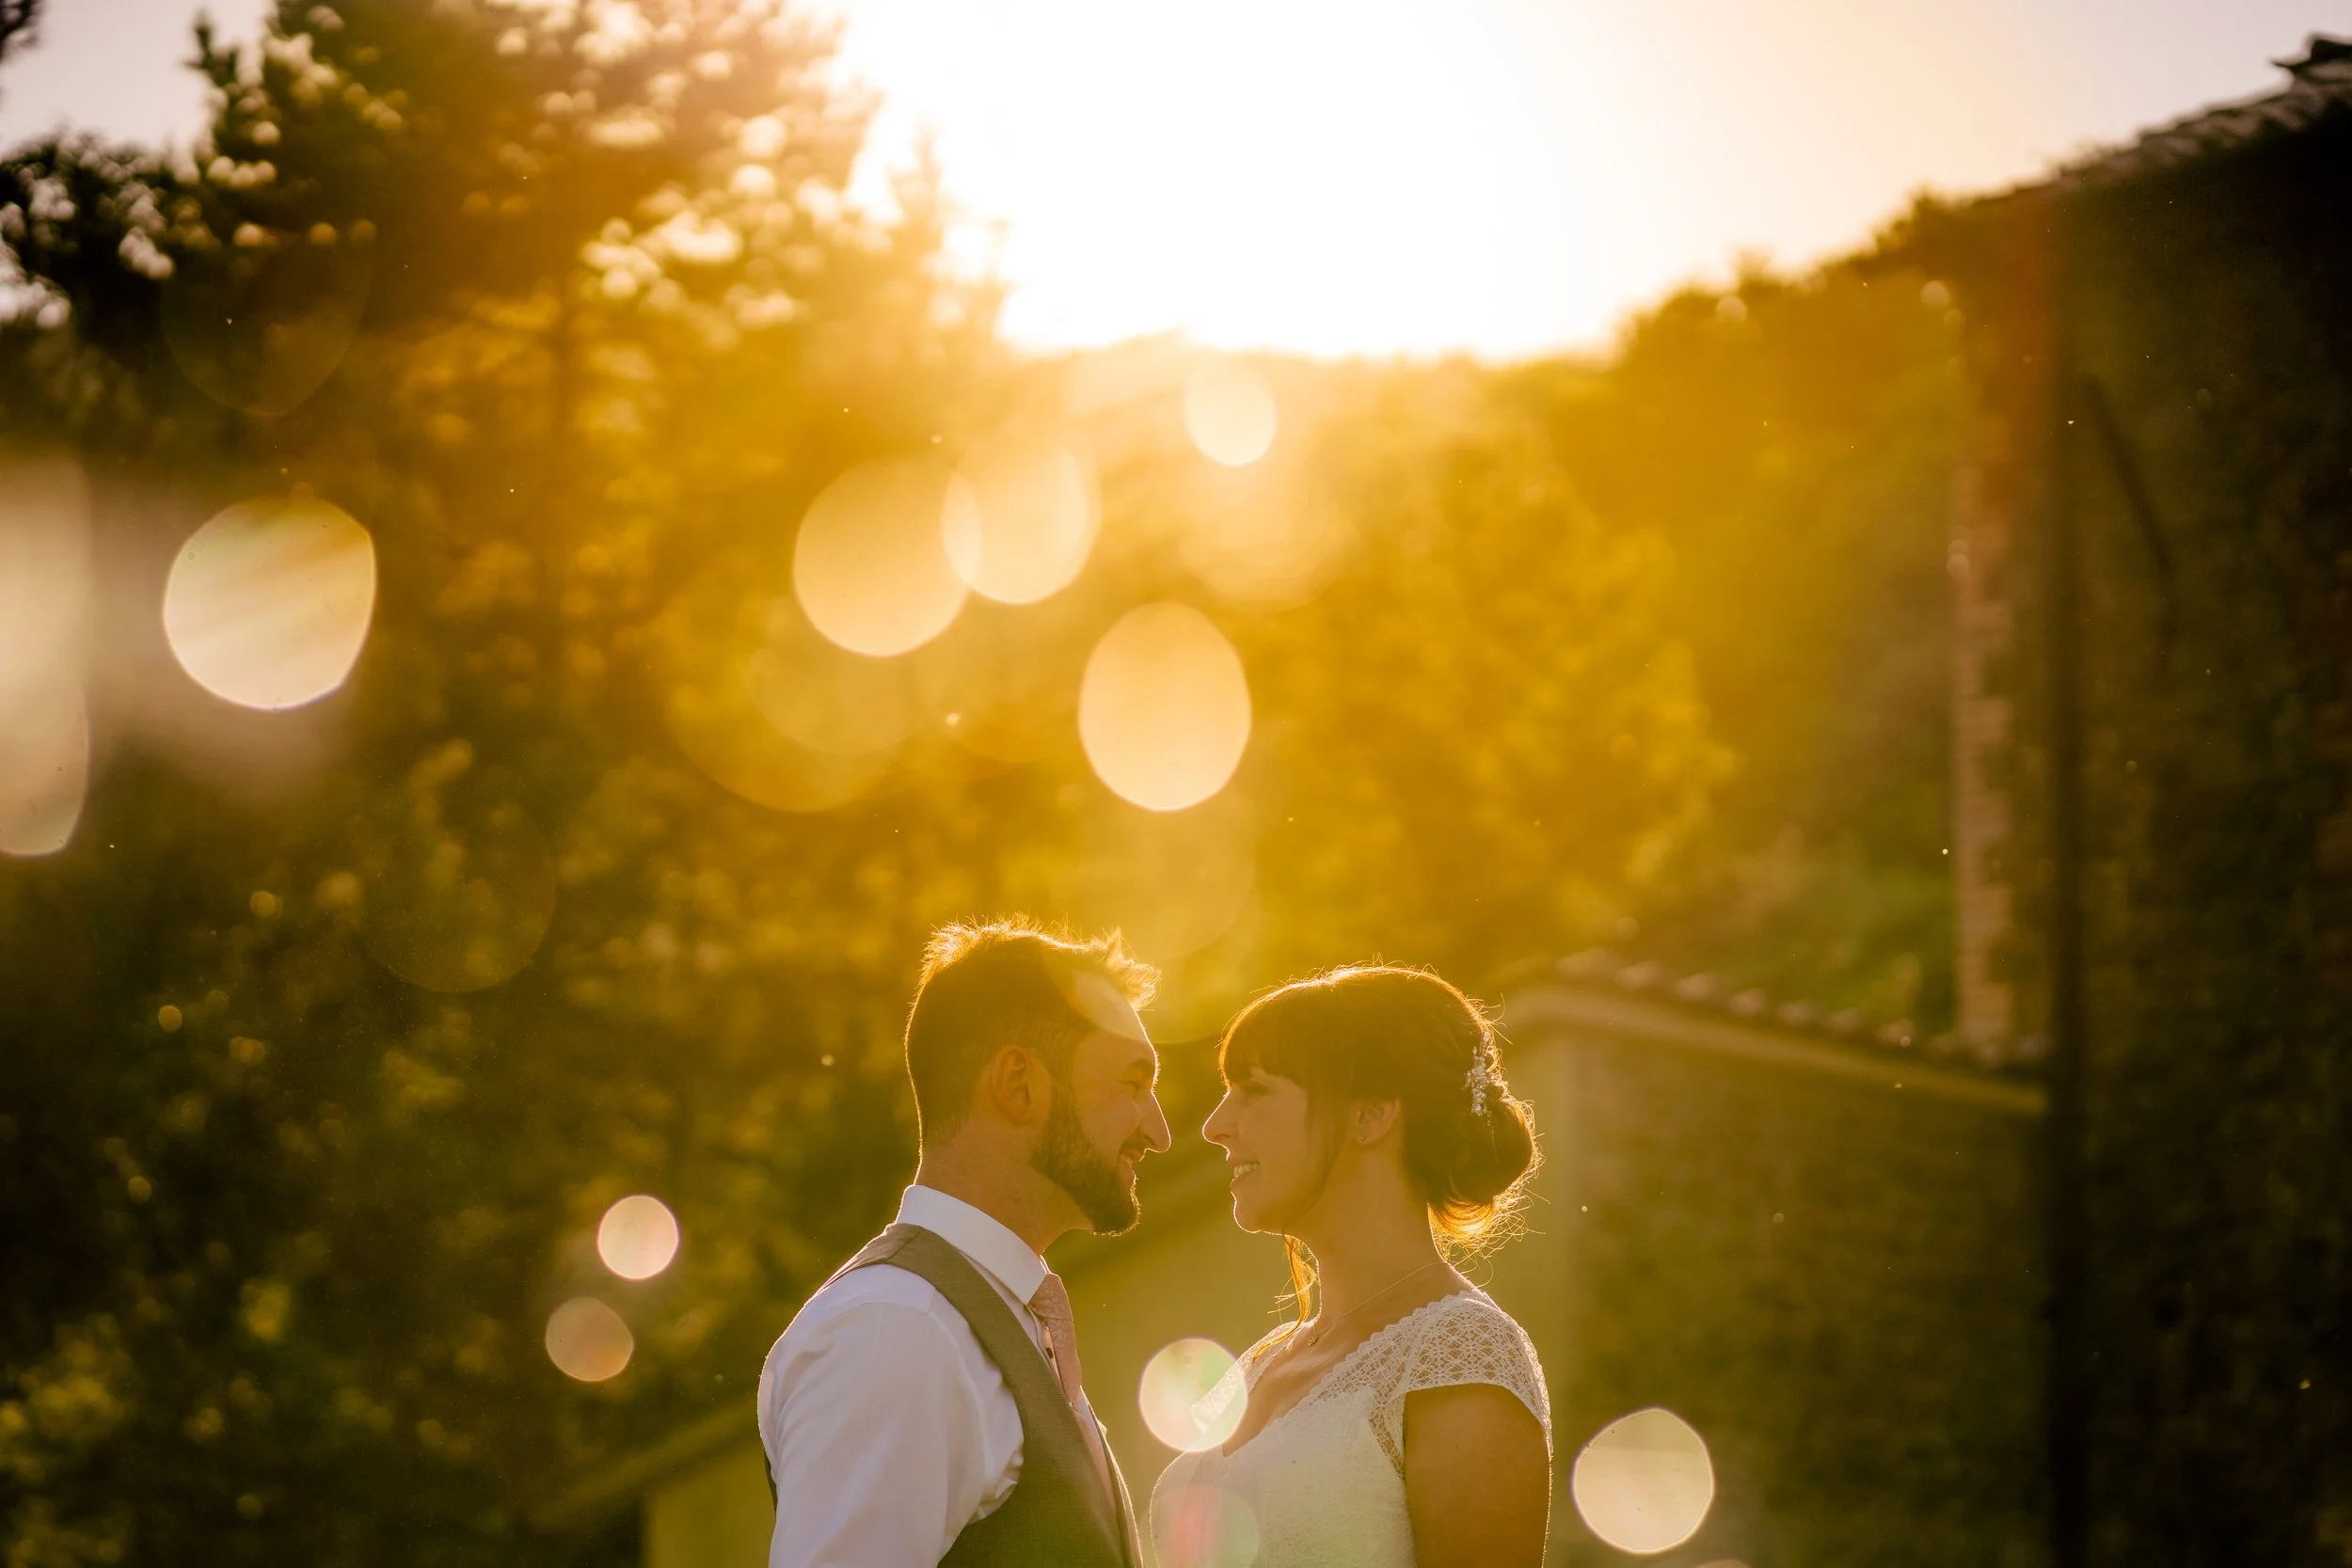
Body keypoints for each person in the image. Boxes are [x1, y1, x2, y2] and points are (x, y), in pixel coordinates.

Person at [758, 920, 1172, 1567]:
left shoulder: (991, 1318)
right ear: (1018, 1083)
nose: (1160, 1129)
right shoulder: (894, 1329)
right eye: (1131, 1081)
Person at [1152, 965, 1551, 1568]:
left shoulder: (1459, 1353)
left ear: (1370, 1114)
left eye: (1254, 1090)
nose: (1215, 1125)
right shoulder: (1263, 1362)